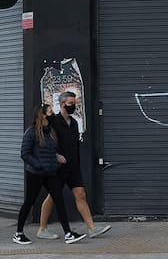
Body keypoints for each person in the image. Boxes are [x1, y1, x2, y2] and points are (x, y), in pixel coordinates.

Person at [37, 90, 112, 240]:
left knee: (81, 195)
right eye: (70, 104)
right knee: (52, 196)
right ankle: (42, 229)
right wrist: (55, 156)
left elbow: (75, 145)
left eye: (75, 104)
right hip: (58, 168)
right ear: (62, 104)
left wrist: (77, 164)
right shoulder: (53, 123)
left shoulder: (75, 123)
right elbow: (43, 142)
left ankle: (92, 228)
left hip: (73, 167)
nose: (73, 107)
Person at [15, 103, 87, 245]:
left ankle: (68, 233)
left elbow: (50, 148)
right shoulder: (31, 132)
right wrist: (39, 165)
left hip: (51, 173)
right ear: (42, 115)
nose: (52, 114)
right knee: (29, 202)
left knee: (59, 201)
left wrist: (55, 158)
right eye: (49, 112)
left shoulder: (50, 132)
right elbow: (25, 154)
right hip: (35, 173)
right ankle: (18, 233)